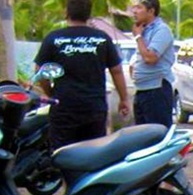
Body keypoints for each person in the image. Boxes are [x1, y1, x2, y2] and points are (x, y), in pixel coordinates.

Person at [34, 0, 130, 151]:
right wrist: (124, 98)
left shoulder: (53, 38)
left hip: (64, 107)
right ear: (89, 15)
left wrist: (51, 93)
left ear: (67, 13)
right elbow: (116, 70)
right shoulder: (102, 38)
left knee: (62, 153)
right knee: (93, 153)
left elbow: (40, 71)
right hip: (94, 107)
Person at [131, 0, 176, 128]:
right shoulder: (143, 30)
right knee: (142, 135)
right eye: (134, 8)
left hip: (156, 89)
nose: (134, 11)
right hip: (141, 90)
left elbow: (150, 58)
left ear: (151, 11)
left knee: (157, 132)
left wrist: (138, 37)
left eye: (139, 8)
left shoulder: (161, 30)